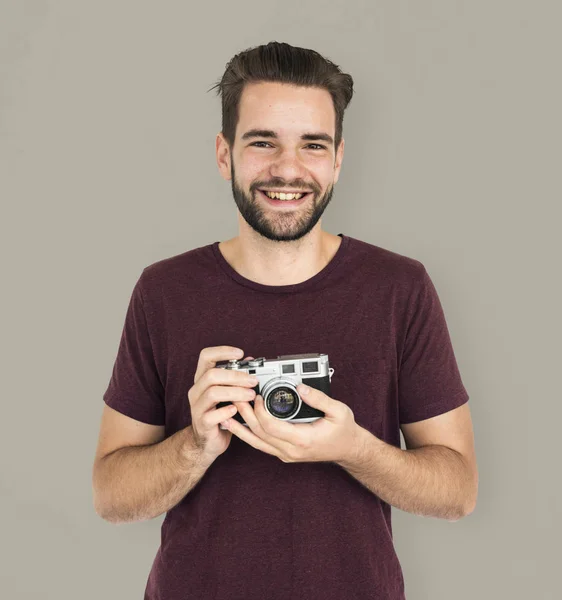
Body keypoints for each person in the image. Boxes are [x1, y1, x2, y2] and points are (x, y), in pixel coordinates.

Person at [92, 41, 478, 600]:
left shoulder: (399, 288)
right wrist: (195, 445)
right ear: (225, 154)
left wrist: (353, 448)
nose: (288, 169)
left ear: (339, 159)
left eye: (312, 145)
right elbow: (110, 496)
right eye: (262, 142)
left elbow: (458, 491)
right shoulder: (165, 291)